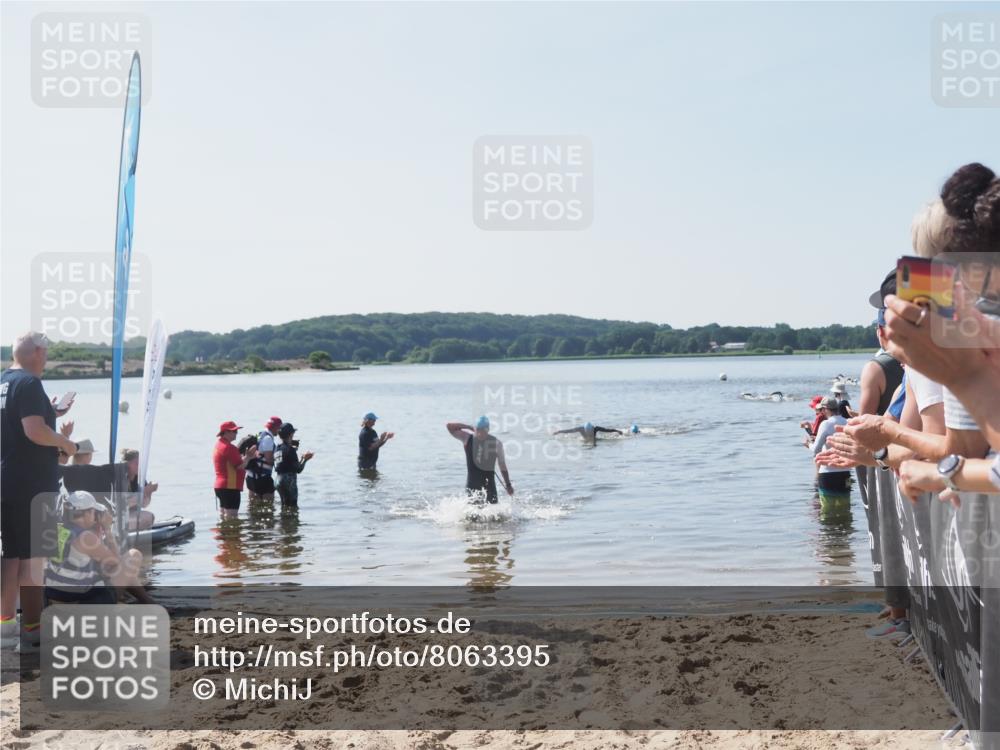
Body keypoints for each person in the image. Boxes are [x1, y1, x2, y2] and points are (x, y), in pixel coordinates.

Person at [1, 331, 78, 652]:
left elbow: (18, 424)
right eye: (46, 353)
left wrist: (51, 414)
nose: (47, 359)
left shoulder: (5, 382)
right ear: (37, 352)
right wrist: (65, 442)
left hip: (8, 479)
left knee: (12, 555)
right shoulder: (30, 383)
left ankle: (6, 627)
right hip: (32, 483)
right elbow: (33, 431)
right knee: (34, 558)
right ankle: (33, 629)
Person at [45, 491, 153, 605]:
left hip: (57, 599)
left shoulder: (58, 530)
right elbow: (116, 561)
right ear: (87, 513)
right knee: (133, 555)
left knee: (117, 571)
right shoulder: (85, 537)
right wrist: (107, 529)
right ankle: (148, 603)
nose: (95, 516)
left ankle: (148, 602)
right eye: (94, 512)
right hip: (80, 604)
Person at [61, 448, 158, 532]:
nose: (139, 466)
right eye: (136, 463)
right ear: (126, 463)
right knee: (146, 518)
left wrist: (148, 493)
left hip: (123, 515)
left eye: (141, 464)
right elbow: (118, 505)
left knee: (149, 517)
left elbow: (144, 504)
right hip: (110, 516)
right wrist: (142, 493)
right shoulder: (116, 477)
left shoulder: (139, 478)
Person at [447, 417, 513, 504]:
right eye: (479, 430)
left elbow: (502, 465)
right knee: (473, 513)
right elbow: (449, 426)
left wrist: (508, 485)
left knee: (493, 513)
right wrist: (469, 427)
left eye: (484, 430)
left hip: (489, 484)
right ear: (476, 429)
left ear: (488, 430)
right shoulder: (467, 438)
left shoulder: (497, 443)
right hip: (472, 484)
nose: (481, 433)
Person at [811, 397, 851, 513]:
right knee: (845, 509)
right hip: (845, 471)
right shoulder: (847, 422)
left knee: (828, 510)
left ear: (824, 409)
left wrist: (808, 444)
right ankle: (845, 530)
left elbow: (816, 450)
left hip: (828, 472)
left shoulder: (826, 424)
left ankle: (830, 531)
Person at [213, 421, 257, 519]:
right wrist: (248, 457)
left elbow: (230, 463)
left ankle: (223, 533)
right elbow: (240, 466)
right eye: (234, 431)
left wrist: (246, 457)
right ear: (226, 432)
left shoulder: (218, 445)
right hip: (230, 487)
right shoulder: (229, 448)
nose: (236, 433)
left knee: (224, 516)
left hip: (220, 487)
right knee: (232, 518)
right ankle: (232, 534)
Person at [274, 423, 314, 508]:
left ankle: (283, 521)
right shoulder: (290, 449)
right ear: (291, 434)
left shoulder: (277, 448)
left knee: (284, 506)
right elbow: (298, 469)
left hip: (278, 480)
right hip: (288, 481)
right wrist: (305, 459)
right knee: (292, 507)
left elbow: (283, 464)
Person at [247, 416, 282, 502]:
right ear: (275, 427)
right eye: (279, 428)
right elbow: (269, 460)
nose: (280, 430)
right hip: (262, 477)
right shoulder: (268, 439)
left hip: (251, 476)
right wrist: (281, 457)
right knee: (269, 503)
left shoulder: (260, 434)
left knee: (253, 504)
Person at [553, 422, 623, 445]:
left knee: (594, 444)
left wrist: (616, 431)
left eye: (591, 431)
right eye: (588, 432)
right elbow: (570, 430)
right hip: (585, 441)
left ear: (592, 428)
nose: (590, 433)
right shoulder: (581, 429)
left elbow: (607, 430)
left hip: (594, 441)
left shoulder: (596, 428)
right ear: (585, 430)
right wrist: (559, 431)